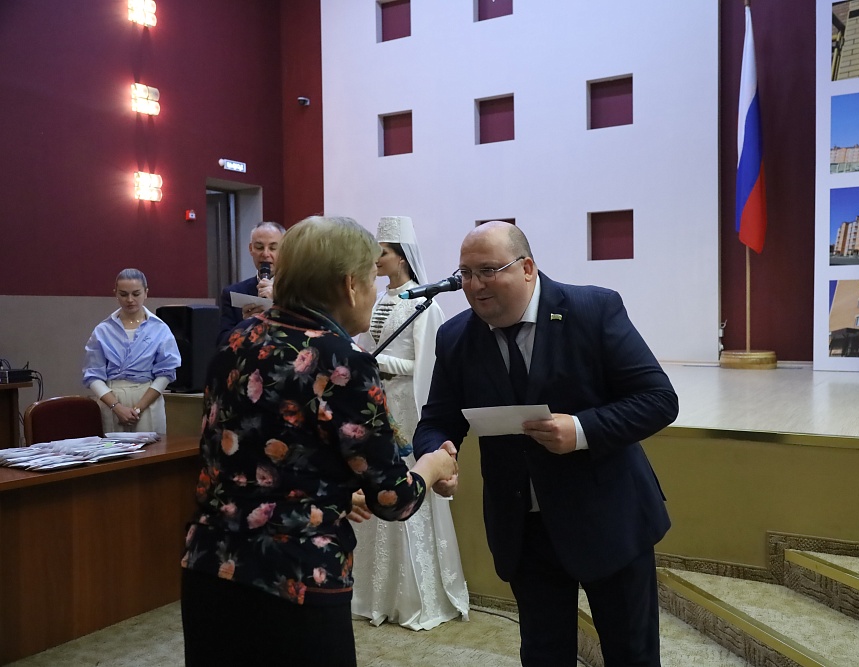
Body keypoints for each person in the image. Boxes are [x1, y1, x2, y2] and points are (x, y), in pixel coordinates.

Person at [180, 216, 459, 667]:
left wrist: (335, 494)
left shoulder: (236, 340)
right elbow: (393, 499)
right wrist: (433, 466)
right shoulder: (342, 359)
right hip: (294, 577)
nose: (374, 289)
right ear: (350, 284)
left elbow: (259, 456)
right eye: (371, 278)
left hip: (210, 566)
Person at [413, 221, 679, 666]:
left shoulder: (593, 310)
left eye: (488, 270)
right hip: (523, 528)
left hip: (607, 518)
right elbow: (438, 419)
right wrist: (437, 452)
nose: (474, 285)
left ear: (527, 268)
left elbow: (658, 400)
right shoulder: (456, 336)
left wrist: (581, 430)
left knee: (631, 654)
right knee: (543, 654)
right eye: (466, 274)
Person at [352, 216, 469, 630]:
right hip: (377, 406)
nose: (376, 259)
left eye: (382, 252)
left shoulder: (425, 304)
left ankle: (415, 595)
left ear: (401, 256)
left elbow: (428, 367)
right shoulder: (372, 299)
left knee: (405, 482)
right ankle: (373, 592)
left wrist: (378, 361)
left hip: (406, 406)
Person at [83, 268, 181, 434]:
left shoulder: (160, 328)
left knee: (151, 448)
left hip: (147, 398)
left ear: (146, 292)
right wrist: (117, 407)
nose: (130, 300)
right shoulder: (103, 330)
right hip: (112, 399)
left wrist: (139, 408)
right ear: (115, 293)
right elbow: (93, 375)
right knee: (114, 448)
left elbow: (166, 372)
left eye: (136, 294)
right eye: (123, 294)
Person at [216, 221, 285, 345]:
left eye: (273, 248)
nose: (265, 254)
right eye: (259, 247)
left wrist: (277, 304)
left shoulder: (297, 291)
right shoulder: (233, 293)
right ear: (251, 249)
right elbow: (221, 344)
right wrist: (247, 324)